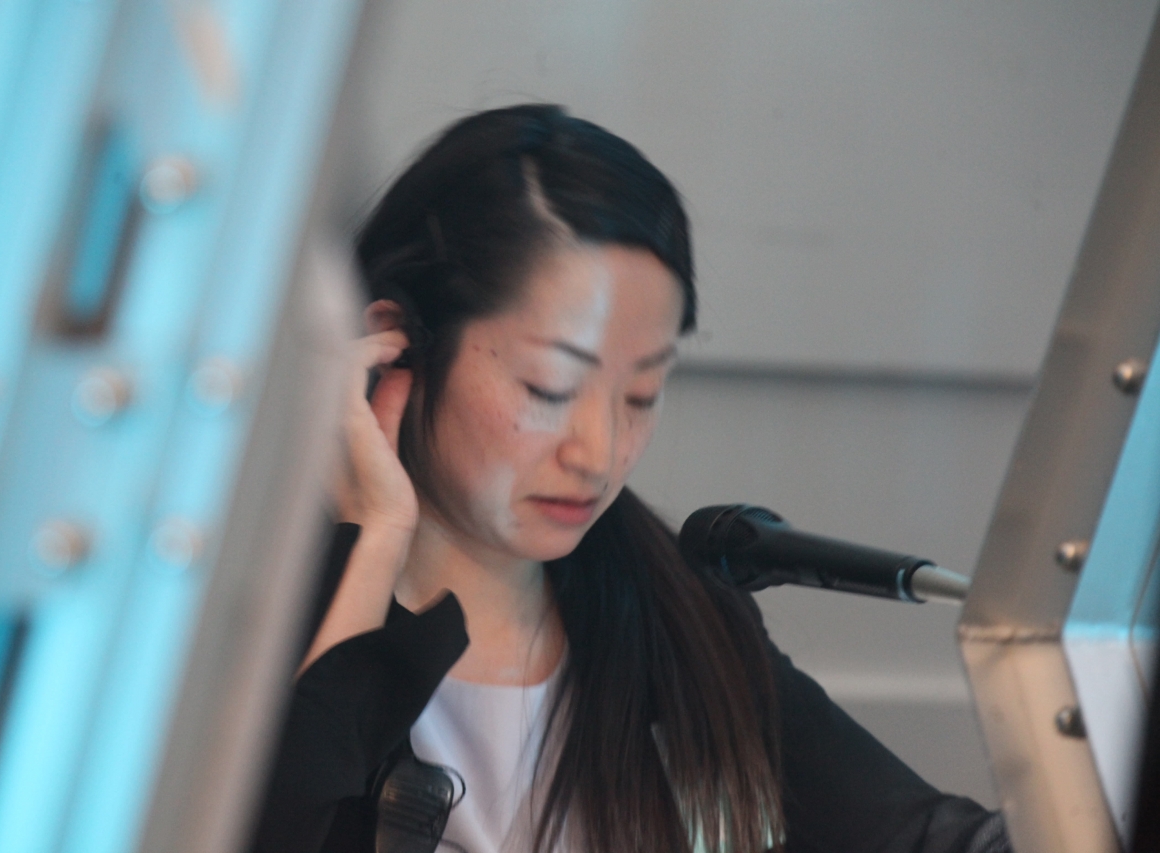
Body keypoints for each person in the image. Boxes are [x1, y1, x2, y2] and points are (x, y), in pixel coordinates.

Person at [249, 104, 1010, 853]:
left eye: (642, 394)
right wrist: (375, 539)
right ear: (398, 348)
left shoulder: (678, 620)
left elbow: (930, 838)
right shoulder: (244, 614)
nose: (600, 452)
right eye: (549, 388)